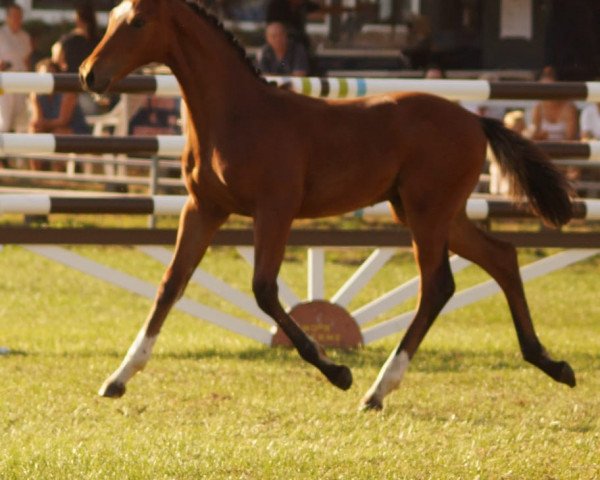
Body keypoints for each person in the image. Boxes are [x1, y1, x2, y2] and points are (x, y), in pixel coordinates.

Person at [29, 59, 91, 171]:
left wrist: (43, 124)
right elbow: (37, 120)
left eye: (51, 75)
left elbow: (63, 121)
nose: (46, 79)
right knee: (34, 130)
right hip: (51, 128)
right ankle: (36, 172)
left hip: (74, 130)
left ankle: (60, 171)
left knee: (58, 133)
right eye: (42, 76)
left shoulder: (67, 93)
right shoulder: (37, 94)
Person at [0, 3, 33, 136]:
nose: (17, 19)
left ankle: (16, 156)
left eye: (19, 16)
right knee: (4, 120)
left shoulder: (25, 37)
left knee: (20, 121)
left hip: (21, 85)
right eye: (14, 16)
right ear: (7, 17)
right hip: (3, 87)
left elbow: (27, 61)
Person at [530, 68, 578, 141]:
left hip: (565, 151)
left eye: (549, 89)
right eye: (543, 89)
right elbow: (534, 135)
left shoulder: (569, 108)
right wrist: (539, 136)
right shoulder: (538, 108)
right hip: (543, 149)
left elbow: (570, 138)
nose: (546, 92)